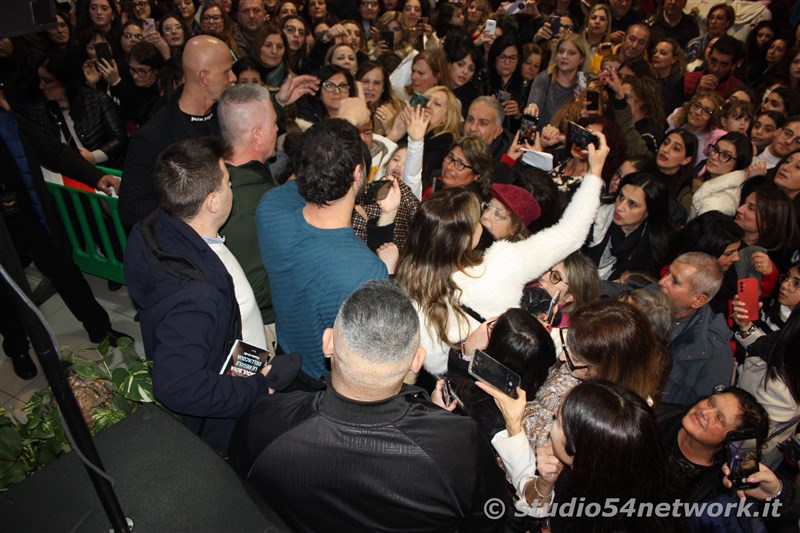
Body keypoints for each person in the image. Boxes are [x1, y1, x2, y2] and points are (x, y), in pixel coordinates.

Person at [230, 280, 508, 531]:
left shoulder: (263, 422)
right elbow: (492, 520)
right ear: (416, 361)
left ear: (328, 343)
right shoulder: (460, 445)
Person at [124, 136, 299, 454]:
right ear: (213, 202)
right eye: (228, 182)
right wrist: (257, 387)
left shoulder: (161, 226)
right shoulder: (195, 298)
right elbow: (177, 385)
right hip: (229, 413)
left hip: (238, 362)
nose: (232, 187)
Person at [395, 133, 610, 375]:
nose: (484, 218)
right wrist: (594, 172)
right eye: (480, 214)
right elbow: (571, 233)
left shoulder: (406, 283)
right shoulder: (500, 265)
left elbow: (428, 365)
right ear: (468, 236)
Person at [119, 34, 318, 226]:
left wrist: (280, 103)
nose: (233, 77)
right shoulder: (154, 136)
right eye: (226, 71)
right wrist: (192, 213)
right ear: (204, 77)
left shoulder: (221, 113)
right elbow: (130, 208)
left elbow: (245, 128)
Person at [256, 119, 390, 389]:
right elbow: (369, 359)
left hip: (285, 362)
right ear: (357, 175)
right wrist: (389, 269)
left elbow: (299, 187)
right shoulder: (368, 272)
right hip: (326, 385)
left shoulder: (270, 206)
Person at [0, 103, 127, 380]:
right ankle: (18, 348)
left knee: (66, 273)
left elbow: (54, 153)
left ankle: (98, 327)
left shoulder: (10, 122)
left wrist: (95, 176)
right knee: (6, 295)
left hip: (32, 216)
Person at [489, 381, 686, 531]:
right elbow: (534, 504)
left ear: (579, 448)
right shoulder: (619, 475)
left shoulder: (588, 515)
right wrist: (545, 482)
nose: (551, 423)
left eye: (557, 420)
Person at [217, 84, 281, 352]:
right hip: (260, 328)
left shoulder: (238, 174)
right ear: (258, 135)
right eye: (275, 123)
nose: (278, 130)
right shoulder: (240, 205)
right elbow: (250, 289)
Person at [658, 252, 732, 406]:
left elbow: (701, 411)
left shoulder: (713, 352)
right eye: (667, 272)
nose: (662, 281)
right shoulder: (650, 296)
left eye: (675, 281)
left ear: (698, 300)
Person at [586, 172, 676, 280]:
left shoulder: (655, 246)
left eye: (632, 204)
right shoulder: (594, 217)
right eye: (621, 196)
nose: (620, 207)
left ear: (649, 212)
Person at [689, 131, 753, 219]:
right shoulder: (712, 181)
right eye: (715, 149)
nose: (714, 156)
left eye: (725, 155)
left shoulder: (717, 204)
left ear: (739, 165)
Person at [527, 33, 586, 125]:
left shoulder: (583, 82)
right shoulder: (544, 78)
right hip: (540, 135)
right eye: (561, 51)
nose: (564, 56)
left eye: (571, 53)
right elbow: (533, 107)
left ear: (581, 59)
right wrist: (532, 107)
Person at [683, 35, 745, 100]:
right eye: (713, 61)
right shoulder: (688, 79)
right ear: (708, 56)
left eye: (723, 65)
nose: (716, 69)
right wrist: (696, 93)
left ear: (734, 65)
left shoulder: (738, 92)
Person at [463, 96, 511, 165]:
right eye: (470, 120)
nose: (473, 128)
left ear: (497, 132)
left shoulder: (505, 160)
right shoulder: (454, 139)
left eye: (483, 123)